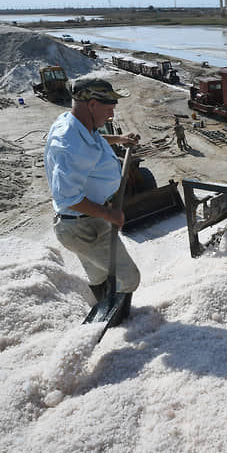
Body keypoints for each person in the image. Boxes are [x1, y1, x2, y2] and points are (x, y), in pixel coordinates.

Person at [44, 77, 141, 326]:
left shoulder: (75, 123)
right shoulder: (69, 143)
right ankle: (118, 323)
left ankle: (103, 308)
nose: (112, 114)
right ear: (93, 104)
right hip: (83, 226)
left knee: (98, 273)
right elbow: (67, 197)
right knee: (129, 277)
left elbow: (94, 140)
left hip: (81, 223)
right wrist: (109, 214)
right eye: (110, 108)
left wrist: (119, 140)